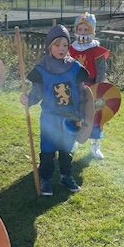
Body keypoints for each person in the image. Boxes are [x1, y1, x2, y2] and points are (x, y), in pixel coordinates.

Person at [20, 24, 89, 196]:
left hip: (70, 118)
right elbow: (37, 92)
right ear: (49, 46)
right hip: (50, 119)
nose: (61, 49)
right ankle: (46, 179)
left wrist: (82, 114)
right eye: (57, 45)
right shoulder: (42, 69)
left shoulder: (74, 68)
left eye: (65, 45)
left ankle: (66, 176)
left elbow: (82, 94)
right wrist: (28, 99)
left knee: (67, 150)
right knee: (48, 151)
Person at [68, 12, 110, 159]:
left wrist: (98, 89)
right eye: (80, 29)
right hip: (74, 89)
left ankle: (95, 147)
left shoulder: (96, 50)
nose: (82, 32)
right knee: (74, 116)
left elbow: (101, 71)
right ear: (76, 30)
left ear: (92, 30)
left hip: (92, 89)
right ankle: (72, 143)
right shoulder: (70, 49)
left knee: (95, 118)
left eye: (86, 29)